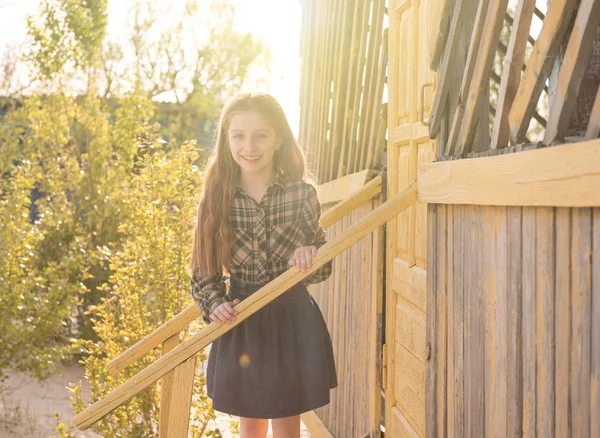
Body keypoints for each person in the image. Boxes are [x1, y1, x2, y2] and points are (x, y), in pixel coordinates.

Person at [188, 91, 338, 438]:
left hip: (291, 318)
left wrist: (307, 257)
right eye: (238, 136)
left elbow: (323, 263)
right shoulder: (217, 197)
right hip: (244, 316)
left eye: (260, 135)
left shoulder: (301, 194)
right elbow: (202, 271)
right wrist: (216, 304)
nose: (249, 146)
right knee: (251, 424)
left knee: (287, 422)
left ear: (278, 138)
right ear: (226, 140)